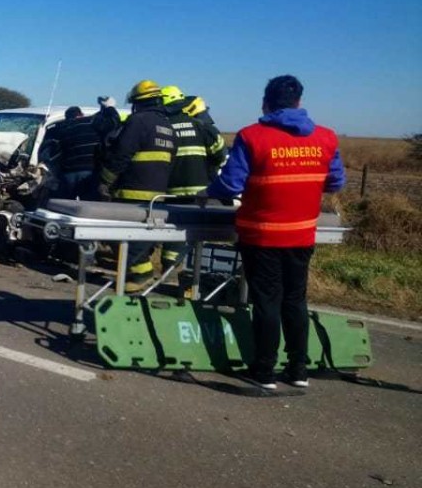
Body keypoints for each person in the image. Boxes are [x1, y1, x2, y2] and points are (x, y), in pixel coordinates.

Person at [205, 75, 345, 391]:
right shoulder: (326, 138)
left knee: (267, 302)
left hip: (261, 236)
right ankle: (298, 369)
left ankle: (264, 371)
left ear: (266, 103)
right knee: (295, 300)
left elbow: (230, 184)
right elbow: (336, 182)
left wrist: (207, 191)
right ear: (299, 103)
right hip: (302, 235)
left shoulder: (252, 136)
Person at [97, 80, 177, 290]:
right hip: (157, 194)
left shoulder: (138, 121)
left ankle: (141, 275)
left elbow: (121, 154)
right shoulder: (167, 126)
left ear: (137, 103)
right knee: (141, 239)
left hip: (132, 191)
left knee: (120, 235)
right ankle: (139, 274)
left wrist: (106, 181)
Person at [159, 86, 230, 274]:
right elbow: (221, 154)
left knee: (173, 230)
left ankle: (169, 267)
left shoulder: (163, 127)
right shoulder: (200, 126)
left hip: (170, 191)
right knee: (195, 230)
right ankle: (187, 270)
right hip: (200, 192)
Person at [39, 106, 100, 199]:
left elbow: (54, 151)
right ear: (81, 115)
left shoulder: (63, 128)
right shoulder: (91, 124)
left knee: (66, 203)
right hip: (89, 170)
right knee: (87, 204)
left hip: (69, 172)